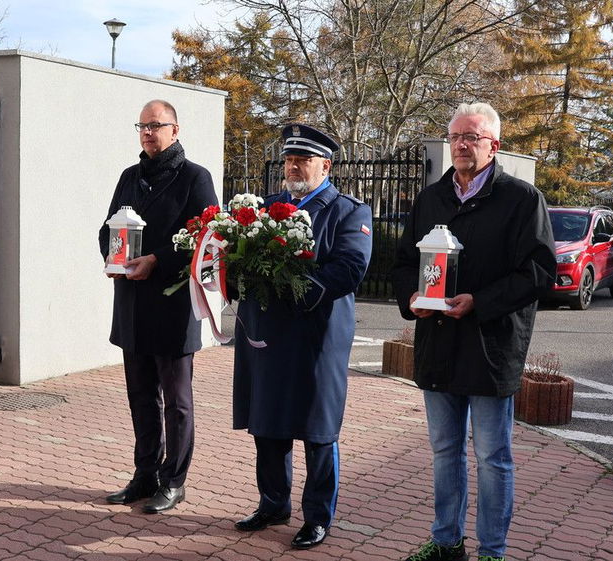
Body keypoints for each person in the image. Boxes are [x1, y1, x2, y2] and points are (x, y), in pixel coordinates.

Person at [393, 102, 556, 561]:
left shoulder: (522, 199)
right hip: (438, 343)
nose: (462, 145)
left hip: (490, 346)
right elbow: (404, 263)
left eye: (472, 137)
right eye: (456, 137)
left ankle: (492, 551)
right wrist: (412, 297)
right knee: (445, 451)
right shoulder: (431, 199)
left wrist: (479, 302)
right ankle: (446, 543)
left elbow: (539, 272)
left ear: (493, 146)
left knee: (492, 457)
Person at [231, 124, 373, 549]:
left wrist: (295, 289)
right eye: (290, 159)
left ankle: (317, 517)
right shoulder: (264, 208)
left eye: (303, 160)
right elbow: (238, 258)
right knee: (267, 421)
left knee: (317, 428)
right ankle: (273, 503)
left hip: (316, 336)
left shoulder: (348, 211)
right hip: (267, 333)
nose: (293, 167)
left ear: (325, 166)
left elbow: (350, 266)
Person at [98, 99, 218, 513]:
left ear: (175, 130)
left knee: (177, 402)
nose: (147, 133)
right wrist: (112, 259)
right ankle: (145, 474)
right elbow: (107, 228)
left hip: (171, 307)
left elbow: (206, 239)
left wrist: (157, 260)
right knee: (141, 397)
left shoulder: (195, 178)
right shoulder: (129, 177)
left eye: (155, 125)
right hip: (132, 303)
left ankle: (174, 481)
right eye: (142, 126)